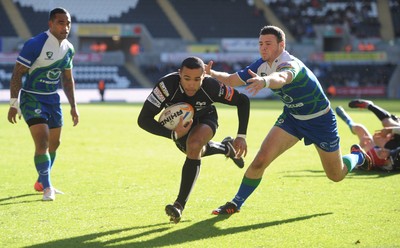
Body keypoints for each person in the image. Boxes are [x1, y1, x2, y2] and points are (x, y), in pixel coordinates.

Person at [205, 25, 371, 215]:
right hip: (292, 118)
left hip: (320, 121)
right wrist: (211, 74)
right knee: (260, 160)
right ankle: (235, 203)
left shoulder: (291, 63)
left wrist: (265, 82)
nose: (263, 48)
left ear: (281, 45)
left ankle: (358, 155)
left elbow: (282, 77)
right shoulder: (261, 65)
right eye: (260, 44)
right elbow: (232, 79)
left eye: (268, 43)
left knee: (336, 175)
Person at [137, 56, 250, 223]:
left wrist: (241, 136)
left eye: (197, 79)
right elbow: (143, 119)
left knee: (195, 145)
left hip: (206, 118)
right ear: (179, 74)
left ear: (204, 76)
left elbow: (243, 101)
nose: (191, 84)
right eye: (187, 78)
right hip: (179, 126)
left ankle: (179, 205)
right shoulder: (165, 87)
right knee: (195, 150)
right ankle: (226, 147)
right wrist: (173, 134)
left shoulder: (212, 86)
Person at [7, 7, 79, 201]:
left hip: (52, 99)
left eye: (68, 23)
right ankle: (48, 188)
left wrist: (73, 106)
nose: (65, 27)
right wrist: (14, 102)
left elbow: (67, 79)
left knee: (55, 143)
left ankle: (41, 181)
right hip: (32, 97)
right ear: (51, 24)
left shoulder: (69, 49)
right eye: (60, 22)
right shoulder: (35, 44)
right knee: (43, 142)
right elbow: (17, 73)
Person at [335, 105, 399, 171]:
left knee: (363, 138)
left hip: (382, 157)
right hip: (383, 149)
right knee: (359, 128)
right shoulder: (395, 131)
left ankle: (360, 158)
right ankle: (348, 120)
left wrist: (361, 146)